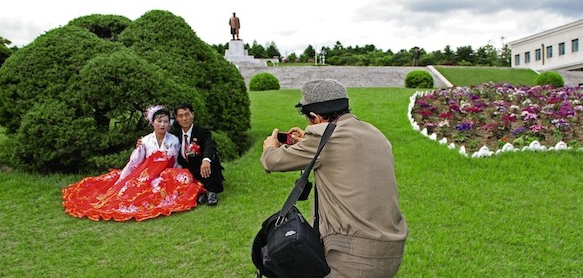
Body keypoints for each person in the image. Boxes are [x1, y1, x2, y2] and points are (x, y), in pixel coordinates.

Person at [260, 79, 408, 277]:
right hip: (391, 251)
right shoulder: (375, 133)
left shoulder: (325, 139)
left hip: (351, 255)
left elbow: (272, 161)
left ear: (314, 117)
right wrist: (308, 142)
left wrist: (270, 146)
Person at [62, 105, 205, 221]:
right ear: (152, 122)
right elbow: (135, 162)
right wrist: (122, 178)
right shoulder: (145, 141)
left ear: (170, 123)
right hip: (146, 174)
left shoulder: (174, 140)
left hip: (165, 173)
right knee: (131, 192)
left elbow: (176, 162)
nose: (162, 125)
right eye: (159, 121)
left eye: (166, 121)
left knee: (182, 179)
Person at [173, 103, 224, 206]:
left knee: (211, 158)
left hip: (201, 167)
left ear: (193, 114)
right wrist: (141, 143)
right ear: (176, 118)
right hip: (186, 169)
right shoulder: (174, 134)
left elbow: (210, 145)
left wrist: (206, 160)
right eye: (180, 116)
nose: (184, 119)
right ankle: (200, 192)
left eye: (187, 114)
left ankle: (212, 192)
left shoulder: (202, 132)